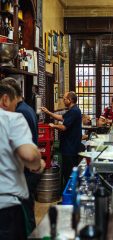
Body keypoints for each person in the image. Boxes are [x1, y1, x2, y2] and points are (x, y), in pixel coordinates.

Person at [0, 83, 44, 239]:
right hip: (7, 206)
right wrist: (39, 164)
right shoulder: (12, 117)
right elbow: (29, 155)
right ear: (5, 99)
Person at [41, 91, 83, 186]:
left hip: (70, 147)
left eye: (64, 99)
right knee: (68, 172)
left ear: (70, 100)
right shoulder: (72, 110)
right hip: (69, 146)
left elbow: (64, 127)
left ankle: (70, 197)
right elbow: (62, 118)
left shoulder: (74, 111)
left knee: (69, 173)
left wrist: (53, 126)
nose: (63, 101)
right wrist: (48, 112)